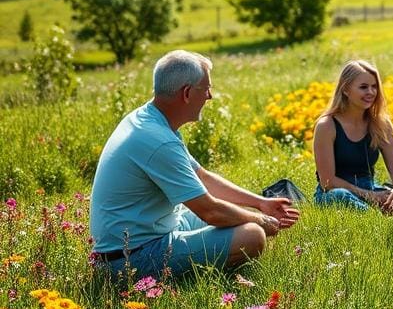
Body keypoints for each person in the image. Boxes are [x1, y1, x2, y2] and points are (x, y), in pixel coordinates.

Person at [90, 51, 300, 279]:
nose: (209, 96)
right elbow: (210, 212)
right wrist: (262, 221)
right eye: (206, 88)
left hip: (154, 231)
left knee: (241, 215)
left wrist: (260, 204)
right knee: (251, 235)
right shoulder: (158, 141)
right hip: (130, 258)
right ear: (187, 93)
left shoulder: (150, 120)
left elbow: (201, 177)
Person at [313, 60, 393, 212]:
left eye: (374, 87)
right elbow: (327, 182)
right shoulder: (326, 126)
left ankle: (388, 212)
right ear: (346, 90)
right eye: (363, 87)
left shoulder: (381, 123)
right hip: (339, 193)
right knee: (338, 196)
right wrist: (370, 196)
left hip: (372, 191)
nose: (371, 92)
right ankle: (388, 220)